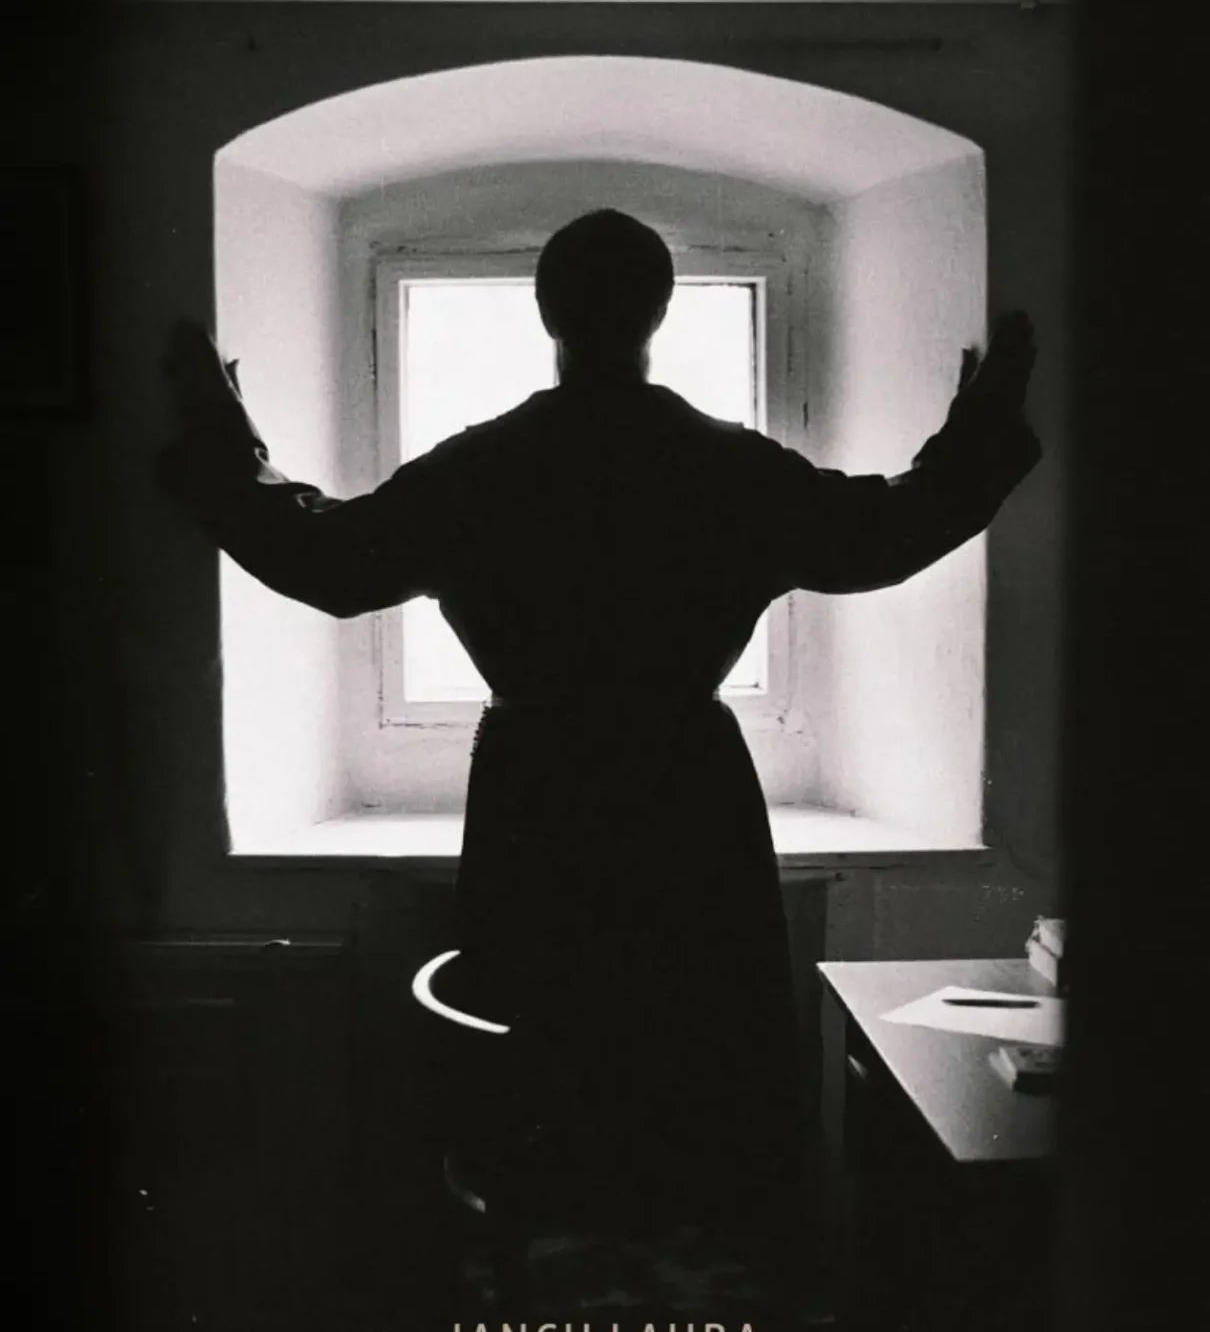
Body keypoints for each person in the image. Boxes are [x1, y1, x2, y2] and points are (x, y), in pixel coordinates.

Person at [158, 208, 1040, 1269]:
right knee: (701, 1045)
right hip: (688, 792)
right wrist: (984, 420)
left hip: (538, 794)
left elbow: (326, 557)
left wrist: (228, 444)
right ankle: (701, 1284)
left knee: (546, 1052)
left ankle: (554, 1281)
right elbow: (887, 529)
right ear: (659, 313)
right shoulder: (727, 468)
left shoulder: (480, 469)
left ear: (547, 314)